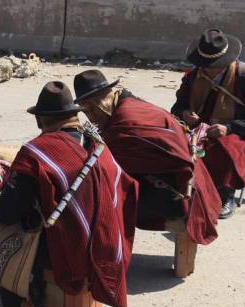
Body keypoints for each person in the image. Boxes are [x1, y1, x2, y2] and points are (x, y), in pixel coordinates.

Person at [0, 81, 135, 307]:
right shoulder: (97, 143)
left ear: (41, 119)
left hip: (68, 247)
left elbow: (10, 210)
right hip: (106, 240)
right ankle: (37, 295)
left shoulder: (37, 152)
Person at [73, 70, 219, 245]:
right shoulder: (128, 103)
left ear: (103, 101)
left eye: (92, 108)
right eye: (85, 110)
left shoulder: (127, 122)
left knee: (98, 200)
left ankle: (105, 253)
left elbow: (106, 164)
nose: (90, 115)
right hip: (177, 181)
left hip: (180, 195)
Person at [170, 29, 245, 219]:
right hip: (199, 129)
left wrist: (229, 128)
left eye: (213, 65)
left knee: (223, 148)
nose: (207, 69)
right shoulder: (193, 76)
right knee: (172, 143)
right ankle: (183, 191)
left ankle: (225, 194)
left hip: (237, 131)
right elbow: (178, 106)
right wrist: (185, 113)